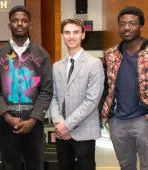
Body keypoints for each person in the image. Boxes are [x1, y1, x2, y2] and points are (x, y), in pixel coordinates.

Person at [0, 5, 53, 170]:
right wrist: (8, 117)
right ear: (9, 25)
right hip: (6, 125)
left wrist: (33, 120)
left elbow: (46, 90)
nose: (19, 24)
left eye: (24, 21)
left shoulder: (41, 54)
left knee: (35, 166)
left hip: (34, 124)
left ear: (30, 25)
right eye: (15, 20)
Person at [49, 18, 104, 170]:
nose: (71, 36)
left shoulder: (94, 64)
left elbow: (92, 101)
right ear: (62, 35)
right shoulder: (56, 66)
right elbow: (52, 97)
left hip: (84, 131)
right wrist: (59, 123)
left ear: (83, 35)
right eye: (67, 32)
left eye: (75, 32)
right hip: (61, 132)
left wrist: (67, 125)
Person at [102, 6, 148, 170]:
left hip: (144, 119)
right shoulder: (111, 54)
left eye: (133, 23)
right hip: (118, 121)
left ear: (141, 27)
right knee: (126, 166)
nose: (127, 27)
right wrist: (108, 114)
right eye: (123, 24)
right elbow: (106, 86)